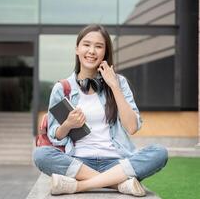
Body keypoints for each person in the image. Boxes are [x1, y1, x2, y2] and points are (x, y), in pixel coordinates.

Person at [33, 24, 168, 197]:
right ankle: (118, 184)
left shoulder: (119, 82)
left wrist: (114, 86)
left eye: (98, 46)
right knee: (41, 154)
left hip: (116, 161)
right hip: (79, 161)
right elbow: (54, 136)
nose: (92, 51)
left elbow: (132, 127)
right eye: (86, 44)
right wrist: (68, 124)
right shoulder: (62, 88)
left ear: (105, 52)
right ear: (77, 49)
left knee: (159, 153)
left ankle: (79, 186)